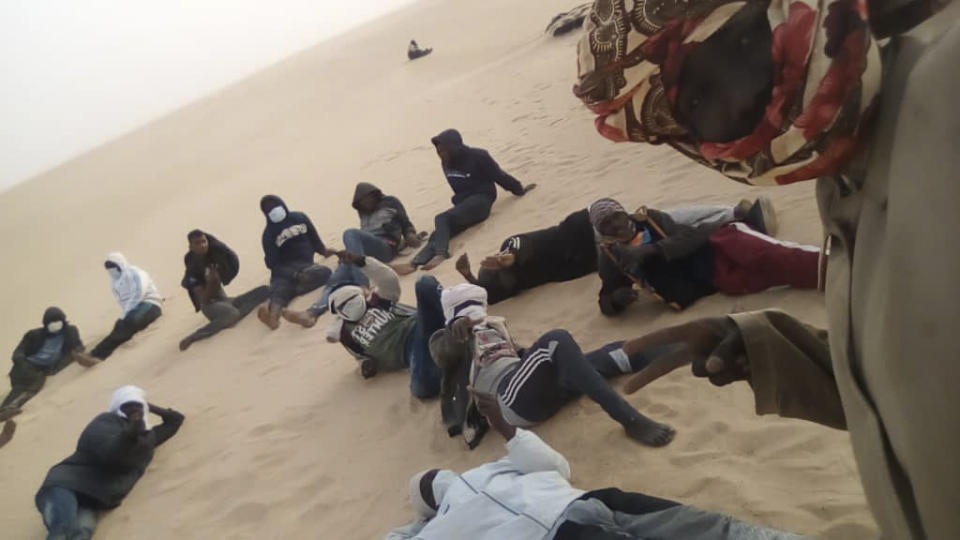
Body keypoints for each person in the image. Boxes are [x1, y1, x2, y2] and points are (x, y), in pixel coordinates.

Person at [574, 1, 959, 537]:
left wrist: (659, 254)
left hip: (719, 245)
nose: (731, 99)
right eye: (695, 101)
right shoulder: (843, 181)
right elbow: (916, 391)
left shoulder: (946, 94)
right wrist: (766, 348)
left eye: (743, 41)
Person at [387, 387, 802, 539]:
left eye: (429, 480)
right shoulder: (439, 527)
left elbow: (557, 469)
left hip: (587, 502)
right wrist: (419, 523)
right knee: (692, 526)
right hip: (562, 527)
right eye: (426, 487)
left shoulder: (490, 469)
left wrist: (509, 431)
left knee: (695, 524)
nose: (435, 480)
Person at [429, 283, 675, 449]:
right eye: (465, 307)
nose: (474, 313)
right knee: (556, 340)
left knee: (600, 356)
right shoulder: (446, 339)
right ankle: (629, 418)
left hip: (527, 385)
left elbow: (521, 357)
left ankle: (673, 349)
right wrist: (455, 330)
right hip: (507, 401)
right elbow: (443, 354)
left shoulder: (493, 326)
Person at [456, 199, 777, 304]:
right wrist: (470, 278)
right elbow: (489, 296)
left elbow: (521, 241)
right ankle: (734, 218)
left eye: (504, 276)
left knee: (666, 219)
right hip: (600, 250)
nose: (509, 281)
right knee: (670, 225)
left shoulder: (514, 255)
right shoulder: (519, 283)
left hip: (587, 230)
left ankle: (733, 214)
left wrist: (508, 256)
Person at [590, 198, 818, 315]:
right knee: (768, 276)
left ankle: (830, 266)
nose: (614, 226)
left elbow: (690, 237)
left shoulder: (651, 219)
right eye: (605, 224)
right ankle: (825, 275)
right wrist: (616, 300)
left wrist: (653, 249)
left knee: (775, 256)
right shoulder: (610, 256)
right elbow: (605, 298)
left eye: (614, 217)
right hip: (711, 280)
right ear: (602, 232)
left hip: (720, 245)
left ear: (623, 213)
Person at [283, 251, 442, 398]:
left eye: (351, 299)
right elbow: (360, 355)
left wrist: (362, 261)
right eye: (344, 305)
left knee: (424, 283)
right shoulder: (346, 334)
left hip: (418, 326)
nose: (350, 305)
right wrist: (366, 365)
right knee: (421, 389)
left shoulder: (379, 301)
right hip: (411, 354)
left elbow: (388, 278)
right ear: (338, 312)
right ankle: (446, 350)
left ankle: (454, 321)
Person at [34, 385, 184, 539]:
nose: (133, 409)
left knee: (81, 534)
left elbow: (175, 420)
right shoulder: (104, 422)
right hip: (64, 484)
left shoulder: (148, 438)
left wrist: (145, 405)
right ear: (118, 408)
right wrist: (130, 433)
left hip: (92, 499)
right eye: (126, 406)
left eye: (137, 406)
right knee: (62, 528)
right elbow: (111, 454)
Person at [394, 129, 537, 274]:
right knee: (439, 233)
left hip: (482, 200)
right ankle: (415, 263)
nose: (440, 153)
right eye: (438, 150)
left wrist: (519, 189)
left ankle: (441, 254)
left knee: (441, 218)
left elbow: (500, 176)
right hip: (464, 206)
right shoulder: (446, 163)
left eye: (444, 150)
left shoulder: (479, 156)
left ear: (455, 146)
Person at [306, 182, 425, 318]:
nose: (365, 203)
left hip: (385, 245)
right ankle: (313, 312)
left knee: (350, 233)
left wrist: (411, 235)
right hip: (363, 251)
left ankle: (364, 285)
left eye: (367, 198)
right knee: (336, 278)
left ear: (374, 194)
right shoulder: (362, 212)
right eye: (362, 202)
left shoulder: (391, 202)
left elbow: (406, 223)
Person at [178, 230, 270, 351]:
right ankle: (195, 336)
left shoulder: (214, 255)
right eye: (197, 243)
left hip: (225, 300)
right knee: (232, 314)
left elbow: (228, 258)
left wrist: (217, 279)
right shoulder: (192, 267)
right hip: (210, 306)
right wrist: (211, 283)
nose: (202, 245)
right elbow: (204, 300)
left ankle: (236, 312)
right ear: (190, 246)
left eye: (204, 241)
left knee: (265, 290)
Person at [0, 307, 97, 421]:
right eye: (51, 322)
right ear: (45, 323)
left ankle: (10, 408)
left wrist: (78, 353)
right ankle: (5, 410)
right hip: (25, 368)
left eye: (57, 320)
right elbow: (17, 353)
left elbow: (78, 346)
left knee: (35, 386)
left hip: (48, 368)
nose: (55, 324)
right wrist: (24, 365)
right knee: (26, 387)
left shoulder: (70, 331)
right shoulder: (33, 335)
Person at [257, 195, 334, 330]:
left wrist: (324, 251)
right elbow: (272, 263)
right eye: (269, 210)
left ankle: (273, 307)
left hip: (304, 267)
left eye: (275, 206)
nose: (273, 211)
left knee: (324, 273)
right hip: (284, 270)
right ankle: (273, 319)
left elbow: (314, 238)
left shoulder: (300, 218)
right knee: (281, 287)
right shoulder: (268, 234)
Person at [89, 253, 163, 360]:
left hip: (150, 305)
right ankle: (97, 354)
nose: (111, 269)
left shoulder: (135, 273)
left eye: (112, 266)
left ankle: (97, 354)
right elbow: (122, 301)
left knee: (129, 322)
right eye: (108, 267)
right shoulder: (114, 283)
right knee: (121, 325)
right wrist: (126, 314)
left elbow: (139, 293)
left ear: (120, 264)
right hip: (133, 311)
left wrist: (127, 313)